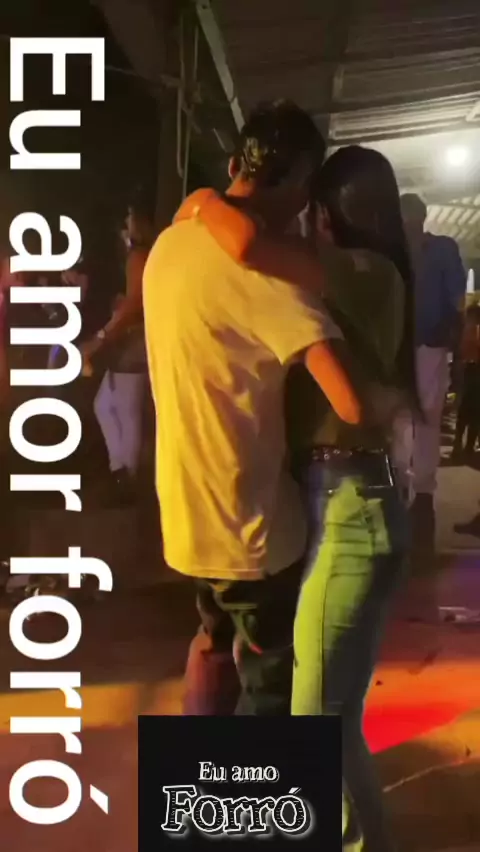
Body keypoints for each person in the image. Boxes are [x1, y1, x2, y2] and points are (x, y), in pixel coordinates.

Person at [175, 145, 414, 852]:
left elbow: (248, 246)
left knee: (321, 722)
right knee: (322, 714)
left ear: (330, 213)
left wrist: (206, 201)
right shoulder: (366, 273)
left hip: (352, 508)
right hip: (335, 499)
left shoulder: (362, 272)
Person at [143, 100, 369, 718]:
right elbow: (351, 404)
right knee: (268, 679)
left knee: (213, 644)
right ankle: (245, 784)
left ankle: (195, 778)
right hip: (250, 526)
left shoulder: (169, 244)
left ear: (235, 165)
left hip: (186, 510)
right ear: (298, 182)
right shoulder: (268, 276)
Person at [392, 194, 466, 520]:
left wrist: (454, 344)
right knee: (403, 420)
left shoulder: (441, 249)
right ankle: (405, 490)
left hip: (427, 346)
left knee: (421, 420)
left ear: (421, 218)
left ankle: (420, 494)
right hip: (399, 347)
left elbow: (458, 304)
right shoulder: (394, 253)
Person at [82, 201, 153, 501]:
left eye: (130, 219)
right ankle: (120, 471)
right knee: (108, 404)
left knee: (124, 406)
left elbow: (135, 303)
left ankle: (127, 478)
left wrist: (103, 335)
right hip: (130, 341)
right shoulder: (138, 255)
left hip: (134, 342)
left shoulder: (138, 255)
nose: (126, 226)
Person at [452, 301, 480, 458]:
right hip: (473, 371)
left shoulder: (468, 330)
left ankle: (460, 445)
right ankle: (467, 447)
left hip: (469, 371)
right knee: (473, 412)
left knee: (466, 411)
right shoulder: (472, 330)